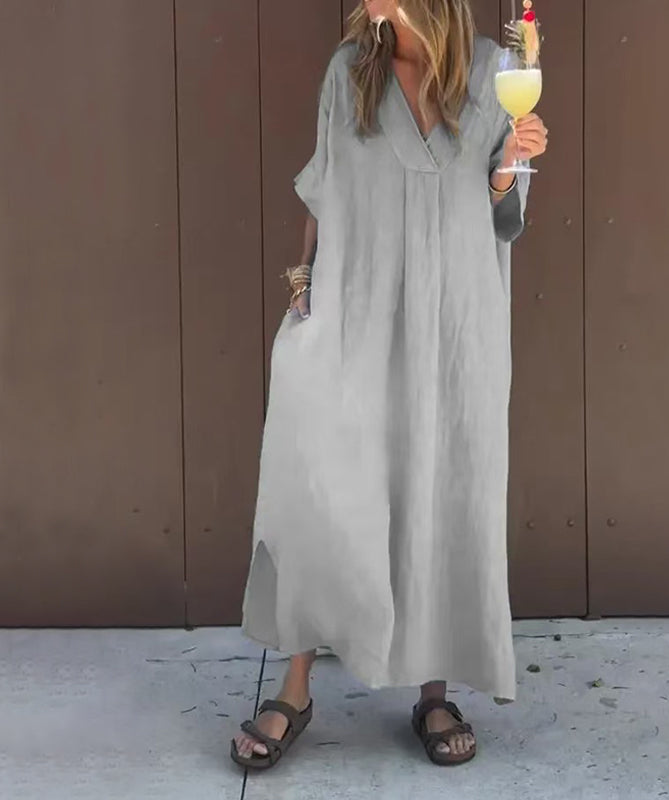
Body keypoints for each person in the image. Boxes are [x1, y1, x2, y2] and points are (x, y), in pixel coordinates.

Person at [231, 0, 547, 769]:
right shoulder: (352, 73)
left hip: (454, 324)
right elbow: (323, 192)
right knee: (320, 489)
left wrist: (510, 163)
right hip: (356, 311)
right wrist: (303, 286)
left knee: (440, 490)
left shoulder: (496, 72)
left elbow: (503, 210)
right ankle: (295, 687)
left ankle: (434, 692)